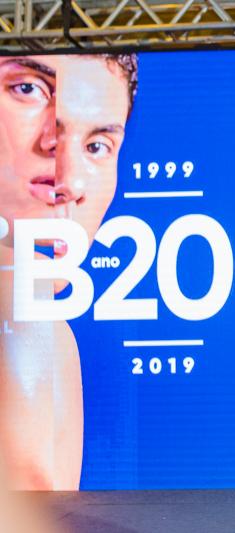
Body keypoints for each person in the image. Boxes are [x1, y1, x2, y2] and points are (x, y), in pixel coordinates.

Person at [0, 54, 137, 489]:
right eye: (28, 90)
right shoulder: (38, 325)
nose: (69, 182)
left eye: (97, 145)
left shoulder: (32, 323)